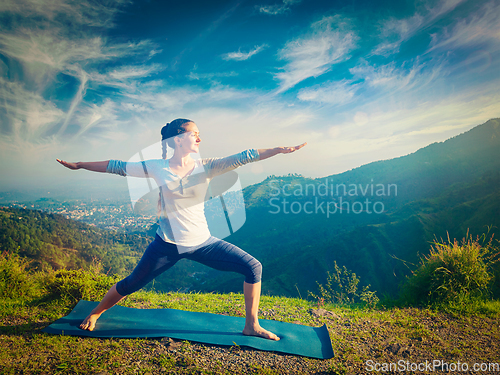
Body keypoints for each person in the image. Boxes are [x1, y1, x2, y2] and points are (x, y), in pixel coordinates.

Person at [57, 118, 306, 341]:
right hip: (166, 246)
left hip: (203, 243)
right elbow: (117, 166)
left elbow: (246, 155)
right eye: (194, 133)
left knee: (253, 267)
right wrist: (79, 164)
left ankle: (251, 325)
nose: (199, 137)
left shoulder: (207, 166)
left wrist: (279, 150)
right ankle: (96, 312)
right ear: (177, 139)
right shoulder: (157, 167)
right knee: (131, 284)